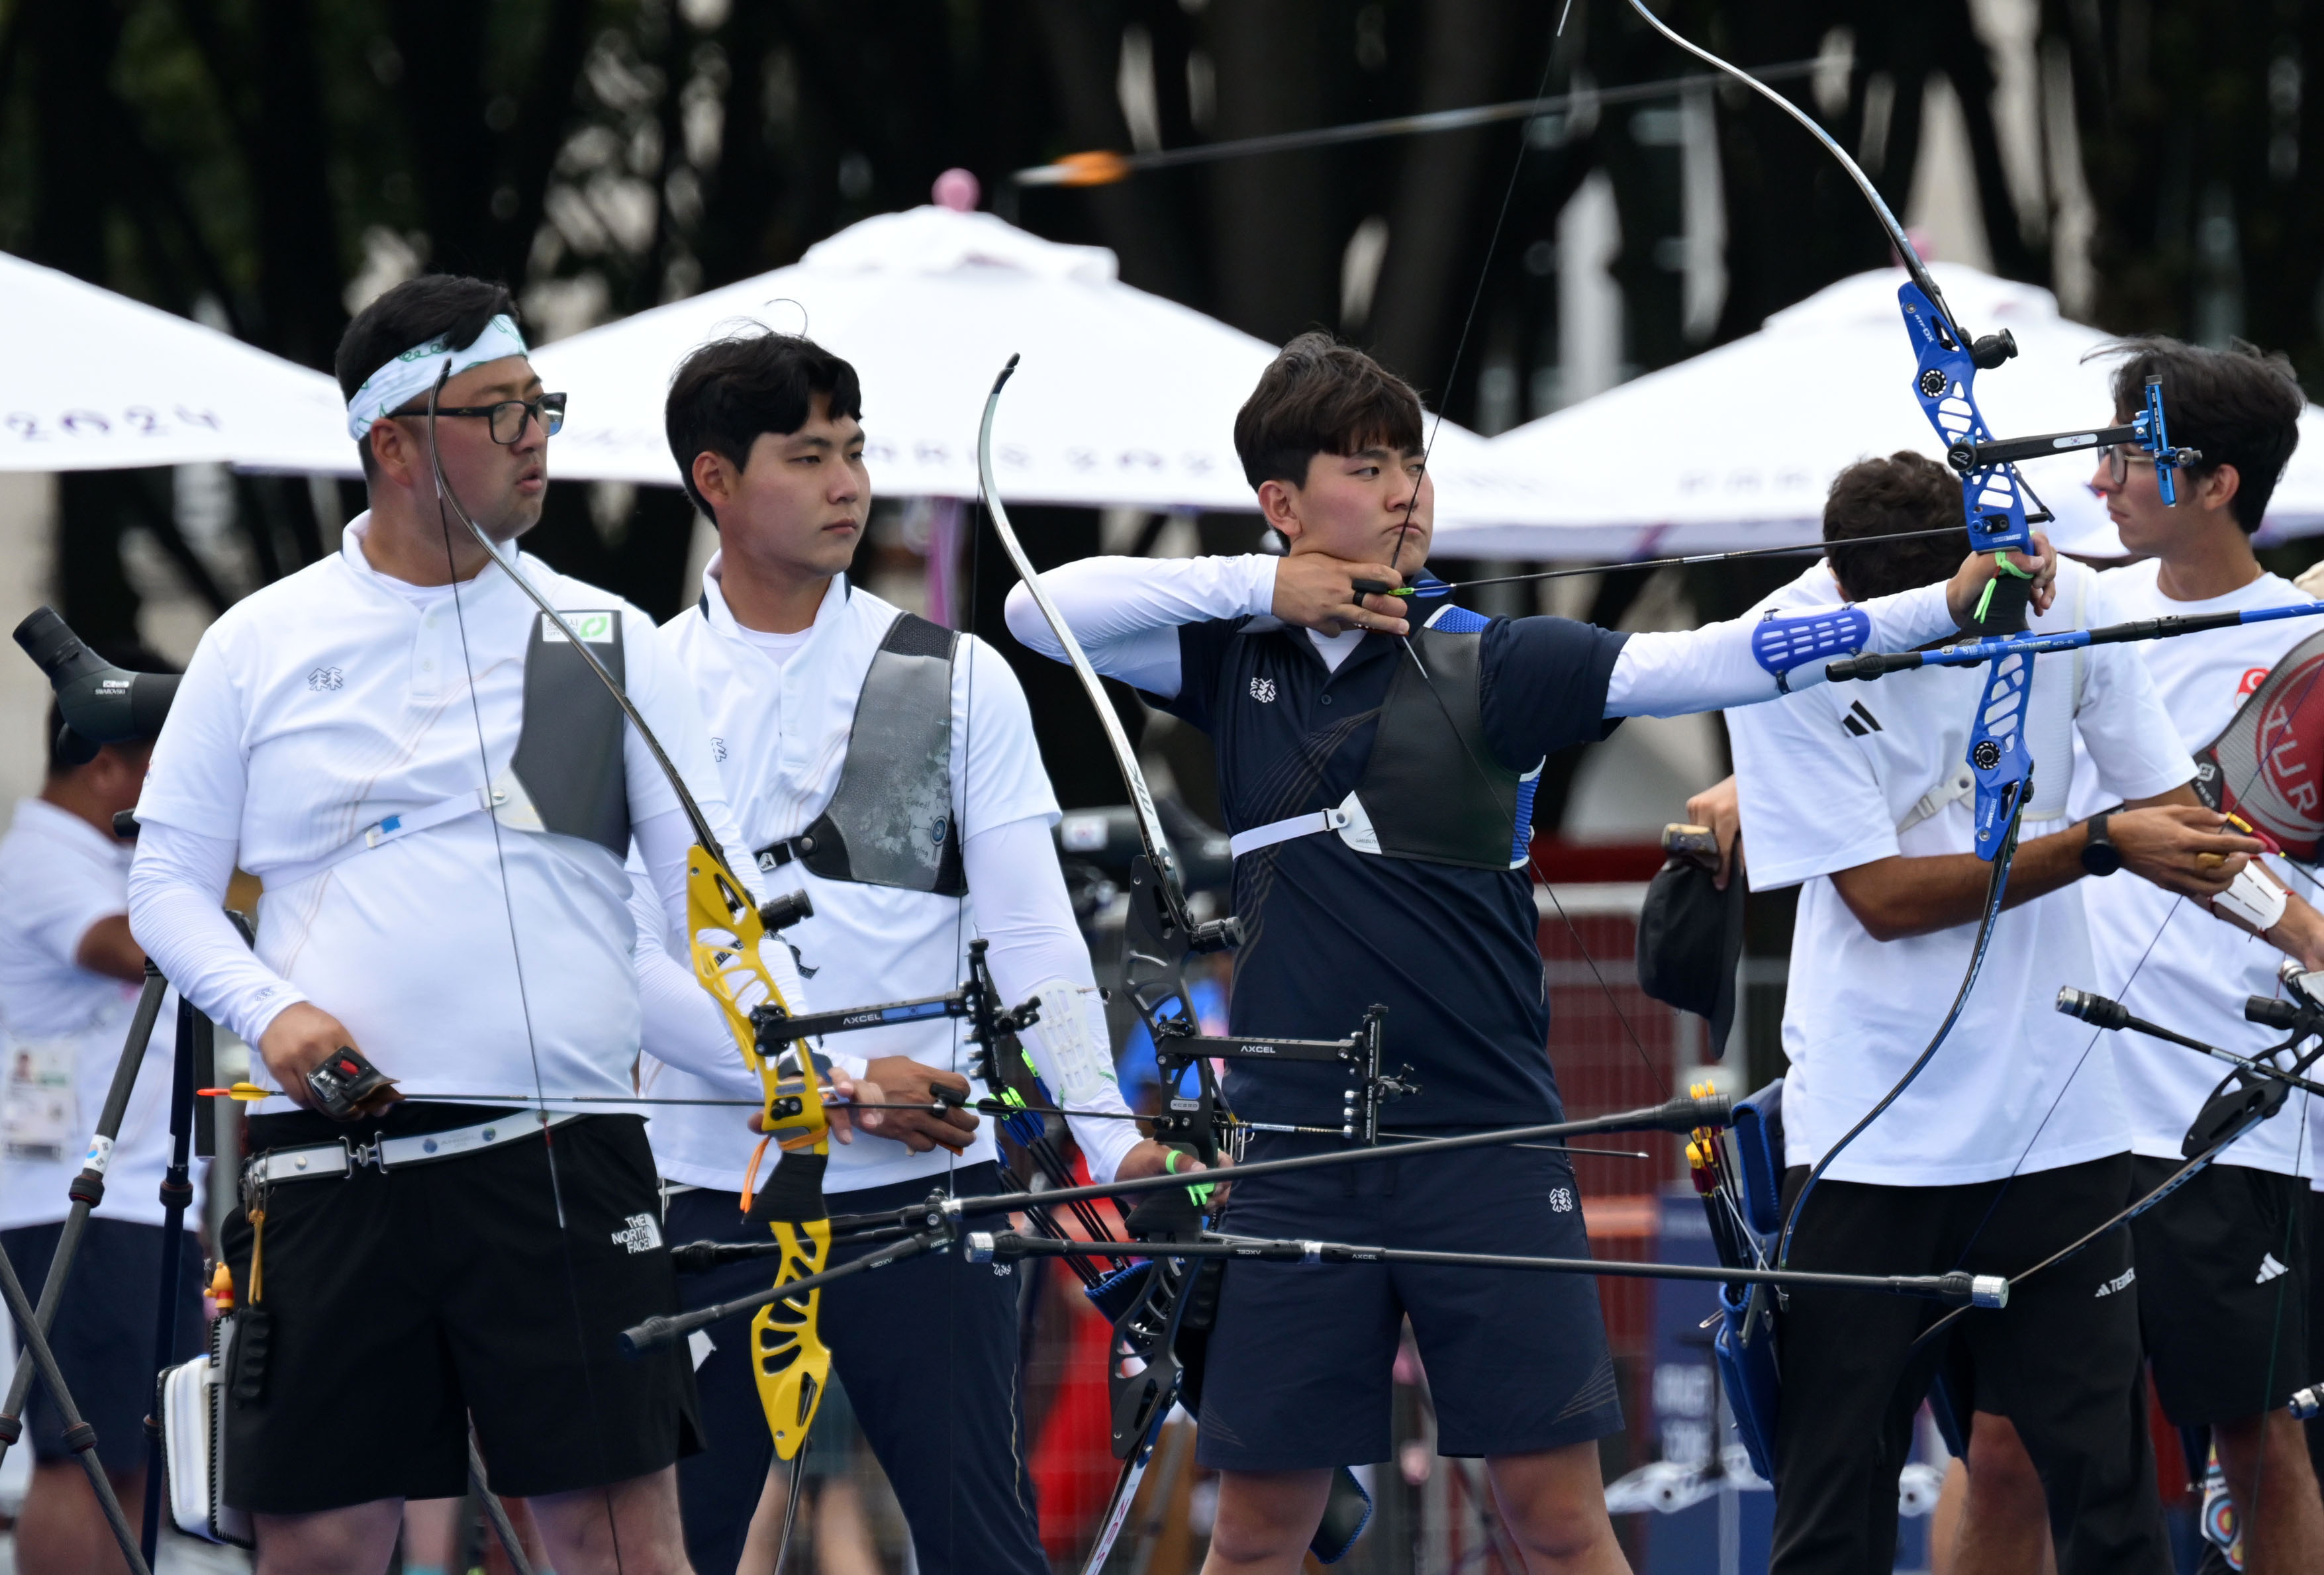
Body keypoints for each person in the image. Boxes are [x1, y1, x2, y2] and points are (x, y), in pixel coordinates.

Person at [1002, 332, 2053, 1575]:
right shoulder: (1233, 657)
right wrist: (1265, 587)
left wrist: (1941, 602)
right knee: (1257, 1534)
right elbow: (1035, 607)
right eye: (1364, 466)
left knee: (1557, 1524)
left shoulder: (1496, 662)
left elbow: (1703, 662)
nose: (1403, 492)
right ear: (1283, 504)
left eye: (1411, 463)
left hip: (1483, 1143)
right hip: (1293, 1152)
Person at [124, 274, 781, 1575]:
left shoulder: (600, 639)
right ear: (394, 441)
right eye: (499, 410)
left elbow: (710, 926)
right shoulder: (261, 641)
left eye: (544, 404)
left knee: (620, 1547)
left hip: (562, 1157)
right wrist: (276, 1014)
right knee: (319, 1545)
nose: (538, 433)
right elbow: (166, 888)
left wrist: (809, 1068)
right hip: (332, 1164)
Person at [1716, 447, 2324, 1574]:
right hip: (1865, 1139)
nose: (1943, 633)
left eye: (1955, 603)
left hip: (2060, 1128)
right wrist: (2094, 846)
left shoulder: (2063, 595)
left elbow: (2172, 820)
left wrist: (2306, 940)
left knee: (2108, 1499)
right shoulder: (1782, 646)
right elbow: (1885, 901)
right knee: (1830, 1507)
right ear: (1850, 590)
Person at [635, 327, 1175, 1575]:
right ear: (714, 480)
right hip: (708, 1189)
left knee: (981, 1539)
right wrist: (830, 1091)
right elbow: (612, 959)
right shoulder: (637, 679)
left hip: (932, 1197)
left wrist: (1109, 1139)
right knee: (680, 1543)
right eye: (807, 455)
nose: (847, 484)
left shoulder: (956, 676)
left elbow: (1035, 935)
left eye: (856, 451)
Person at [2062, 338, 2324, 1573]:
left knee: (2252, 1441)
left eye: (2128, 452)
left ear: (2216, 483)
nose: (2100, 478)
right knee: (2006, 1445)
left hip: (2233, 1110)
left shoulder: (2305, 637)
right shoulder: (2067, 613)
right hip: (2048, 1104)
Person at [0, 649, 202, 1575]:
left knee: (129, 1455)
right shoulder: (45, 854)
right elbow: (126, 949)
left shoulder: (94, 854)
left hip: (128, 1198)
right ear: (108, 764)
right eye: (174, 758)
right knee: (84, 1453)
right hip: (83, 1198)